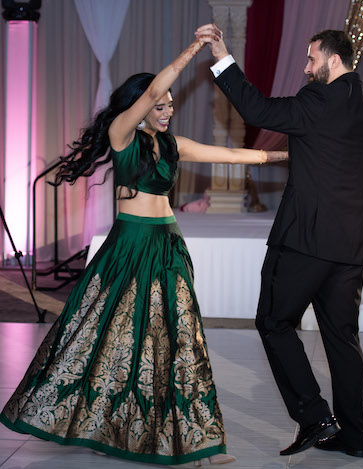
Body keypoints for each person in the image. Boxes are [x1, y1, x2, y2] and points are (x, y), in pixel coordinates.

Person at [0, 34, 275, 466]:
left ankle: (202, 438)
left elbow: (228, 154)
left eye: (169, 106)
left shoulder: (172, 145)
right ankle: (109, 419)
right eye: (160, 105)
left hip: (167, 244)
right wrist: (192, 51)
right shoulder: (122, 135)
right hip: (130, 246)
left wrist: (282, 156)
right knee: (109, 336)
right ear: (142, 107)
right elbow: (149, 91)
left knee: (183, 336)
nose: (166, 111)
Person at [196, 24, 363, 458]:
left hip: (305, 239)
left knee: (273, 322)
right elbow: (335, 156)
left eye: (311, 58)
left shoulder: (319, 99)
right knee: (342, 338)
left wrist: (223, 57)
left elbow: (258, 110)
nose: (305, 68)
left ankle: (315, 416)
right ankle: (355, 437)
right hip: (353, 241)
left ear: (333, 60)